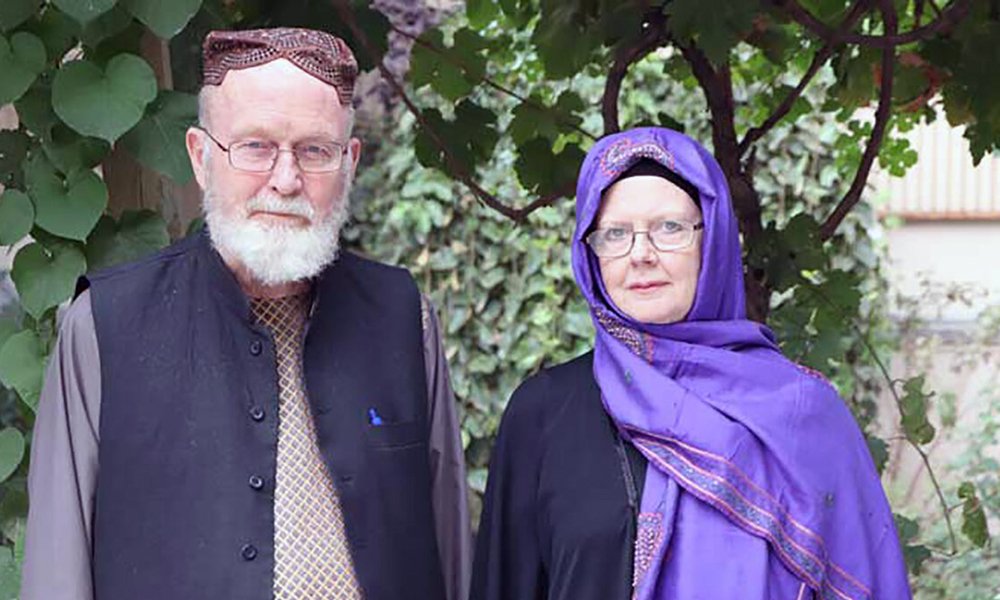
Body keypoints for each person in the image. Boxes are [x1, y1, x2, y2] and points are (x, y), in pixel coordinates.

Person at [20, 27, 470, 600]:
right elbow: (56, 575)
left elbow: (452, 553)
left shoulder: (404, 319)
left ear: (349, 162)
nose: (285, 180)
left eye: (315, 150)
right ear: (201, 157)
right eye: (255, 146)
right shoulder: (103, 327)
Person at [471, 127, 910, 600]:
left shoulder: (803, 414)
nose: (641, 254)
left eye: (669, 228)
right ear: (589, 253)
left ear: (712, 239)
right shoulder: (543, 414)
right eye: (615, 233)